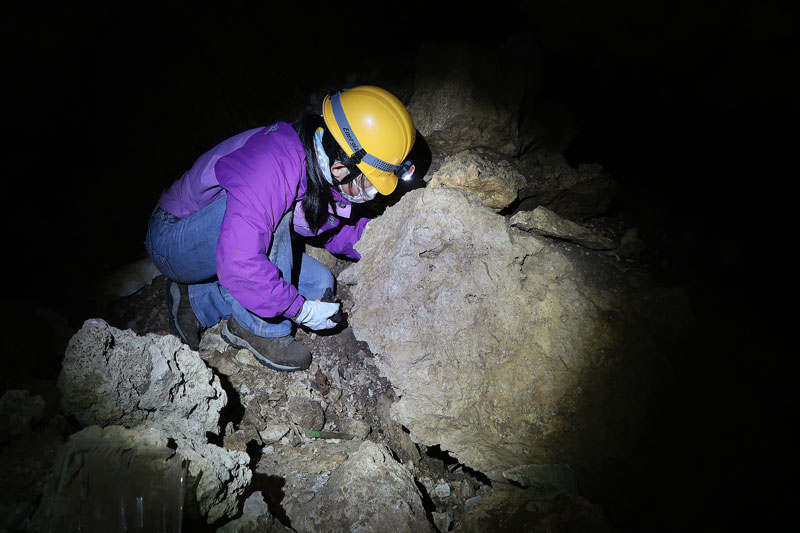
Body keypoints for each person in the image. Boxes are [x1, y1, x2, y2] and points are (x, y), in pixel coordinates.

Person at [145, 86, 416, 371]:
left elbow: (335, 227)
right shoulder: (274, 163)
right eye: (369, 182)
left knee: (319, 285)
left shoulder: (319, 160)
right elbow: (242, 260)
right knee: (274, 217)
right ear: (340, 167)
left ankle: (198, 298)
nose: (373, 194)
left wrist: (386, 245)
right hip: (172, 239)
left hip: (226, 241)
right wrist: (300, 310)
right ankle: (259, 328)